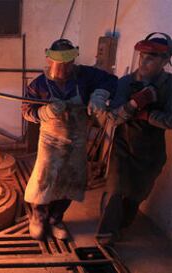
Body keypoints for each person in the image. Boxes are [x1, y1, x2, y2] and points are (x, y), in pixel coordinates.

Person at [22, 39, 117, 240]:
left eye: (68, 62)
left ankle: (56, 218)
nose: (64, 68)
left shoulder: (85, 75)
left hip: (77, 140)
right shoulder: (39, 84)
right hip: (50, 140)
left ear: (74, 59)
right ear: (49, 59)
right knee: (44, 181)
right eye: (59, 62)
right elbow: (26, 111)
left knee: (71, 182)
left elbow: (111, 81)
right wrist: (44, 112)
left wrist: (99, 95)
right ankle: (39, 218)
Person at [96, 33, 172, 245]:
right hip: (124, 146)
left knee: (138, 192)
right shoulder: (126, 83)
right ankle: (105, 234)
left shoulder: (169, 86)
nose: (144, 62)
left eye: (151, 58)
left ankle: (122, 226)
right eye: (142, 56)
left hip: (151, 152)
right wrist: (134, 104)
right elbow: (113, 118)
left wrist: (148, 115)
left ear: (165, 61)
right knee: (115, 188)